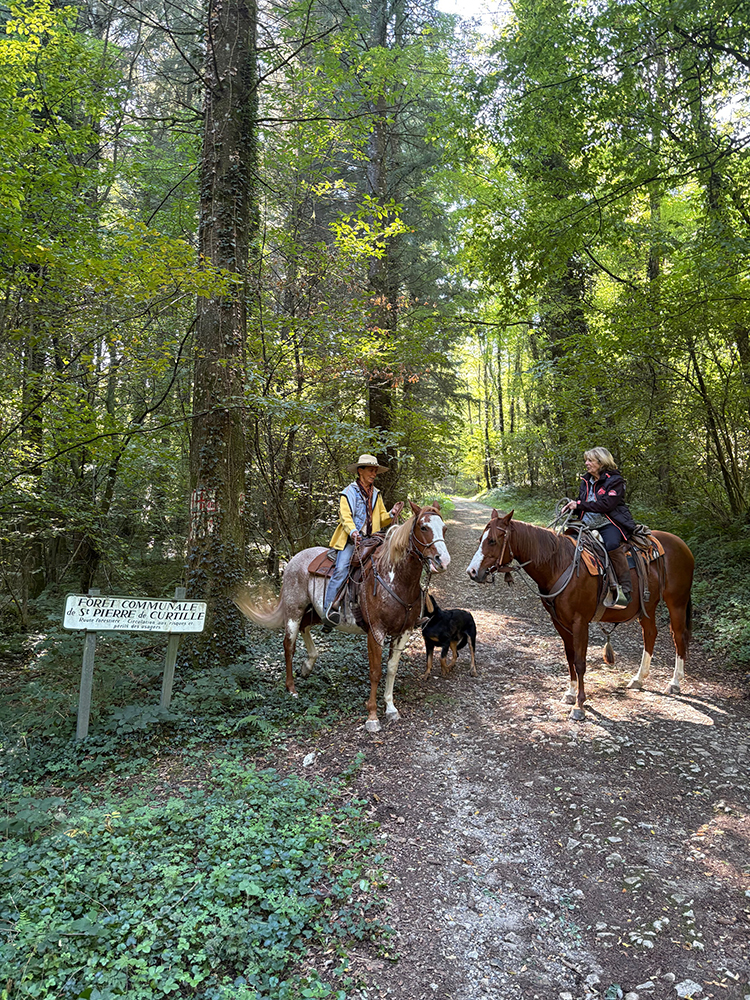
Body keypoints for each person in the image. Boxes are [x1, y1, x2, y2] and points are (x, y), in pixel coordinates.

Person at [323, 454, 404, 626]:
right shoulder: (348, 492)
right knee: (341, 570)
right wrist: (353, 532)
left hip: (371, 540)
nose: (374, 474)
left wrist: (392, 513)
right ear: (360, 471)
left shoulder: (376, 494)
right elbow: (345, 517)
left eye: (375, 471)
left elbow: (382, 518)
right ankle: (328, 610)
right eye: (370, 470)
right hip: (350, 540)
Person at [562, 447, 637, 607]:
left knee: (611, 545)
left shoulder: (616, 480)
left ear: (601, 462)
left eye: (590, 460)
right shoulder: (586, 481)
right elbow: (581, 501)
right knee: (566, 543)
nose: (586, 464)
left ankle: (624, 588)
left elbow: (607, 505)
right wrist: (571, 507)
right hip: (586, 524)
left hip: (609, 522)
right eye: (586, 460)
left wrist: (580, 504)